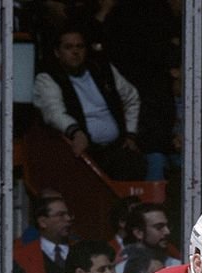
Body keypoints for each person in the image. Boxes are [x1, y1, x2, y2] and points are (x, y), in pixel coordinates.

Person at [32, 24, 145, 180]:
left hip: (117, 150)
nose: (75, 51)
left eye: (80, 46)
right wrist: (76, 132)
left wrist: (131, 134)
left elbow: (132, 98)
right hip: (83, 153)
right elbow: (54, 112)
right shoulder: (48, 78)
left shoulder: (103, 70)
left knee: (136, 165)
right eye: (68, 47)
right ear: (57, 52)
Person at [12, 196, 75, 273]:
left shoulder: (81, 250)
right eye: (60, 215)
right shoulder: (22, 255)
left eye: (69, 214)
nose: (68, 219)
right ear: (42, 222)